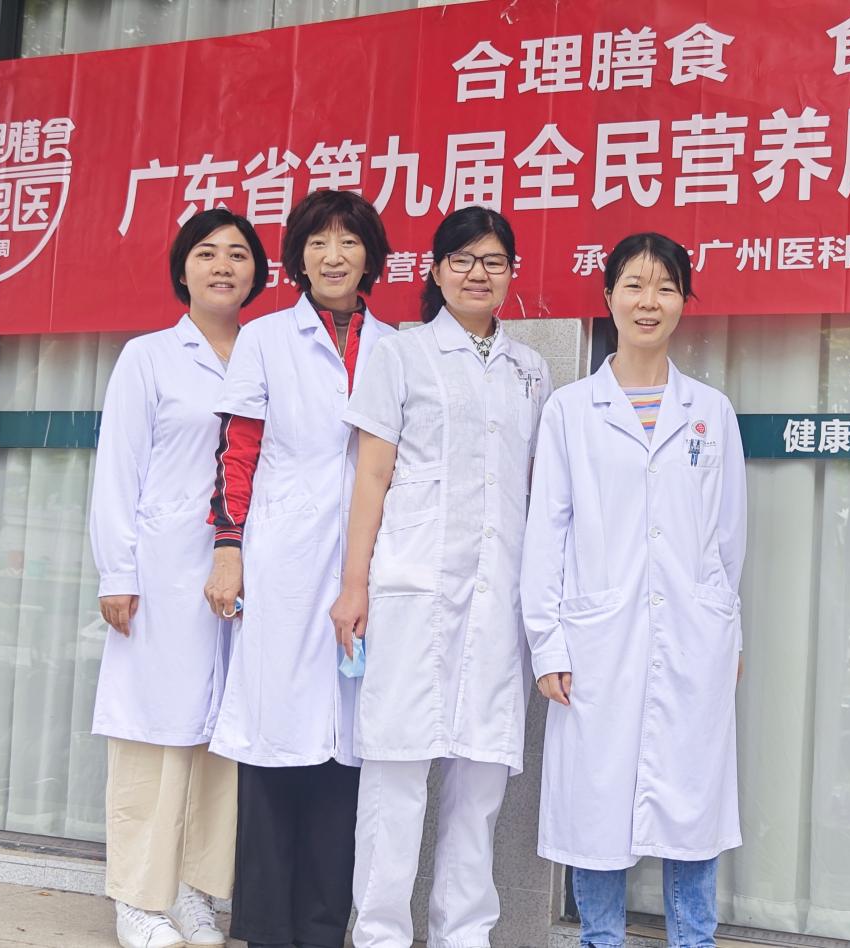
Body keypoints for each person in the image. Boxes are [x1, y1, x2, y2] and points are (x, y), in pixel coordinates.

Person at [329, 206, 551, 948]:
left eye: (493, 261)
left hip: (497, 595)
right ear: (434, 270)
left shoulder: (530, 370)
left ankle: (464, 934)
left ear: (512, 273)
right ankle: (380, 935)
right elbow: (372, 475)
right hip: (412, 588)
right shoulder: (402, 354)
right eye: (462, 259)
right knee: (395, 775)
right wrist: (354, 584)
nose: (477, 273)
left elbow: (531, 487)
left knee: (479, 782)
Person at [520, 232, 747, 948]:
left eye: (666, 287)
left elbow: (727, 539)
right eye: (635, 285)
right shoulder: (570, 410)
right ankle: (600, 940)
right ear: (609, 296)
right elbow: (546, 534)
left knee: (691, 806)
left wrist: (727, 630)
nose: (650, 301)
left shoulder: (710, 411)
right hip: (596, 640)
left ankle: (694, 941)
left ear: (684, 301)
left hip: (693, 636)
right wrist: (548, 642)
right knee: (595, 807)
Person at [203, 188, 395, 948]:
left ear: (371, 256)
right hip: (281, 557)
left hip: (365, 562)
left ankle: (321, 927)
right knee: (273, 742)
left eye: (348, 241)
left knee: (346, 752)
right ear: (299, 258)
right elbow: (237, 450)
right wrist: (228, 547)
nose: (333, 256)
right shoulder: (265, 339)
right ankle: (264, 928)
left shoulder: (394, 346)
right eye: (318, 242)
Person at [90, 207, 268, 948]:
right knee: (153, 732)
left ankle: (194, 890)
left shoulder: (264, 354)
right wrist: (117, 570)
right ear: (183, 269)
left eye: (238, 254)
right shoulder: (150, 358)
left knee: (220, 738)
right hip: (163, 573)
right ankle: (137, 898)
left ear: (258, 272)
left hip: (246, 575)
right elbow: (117, 468)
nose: (223, 265)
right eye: (207, 253)